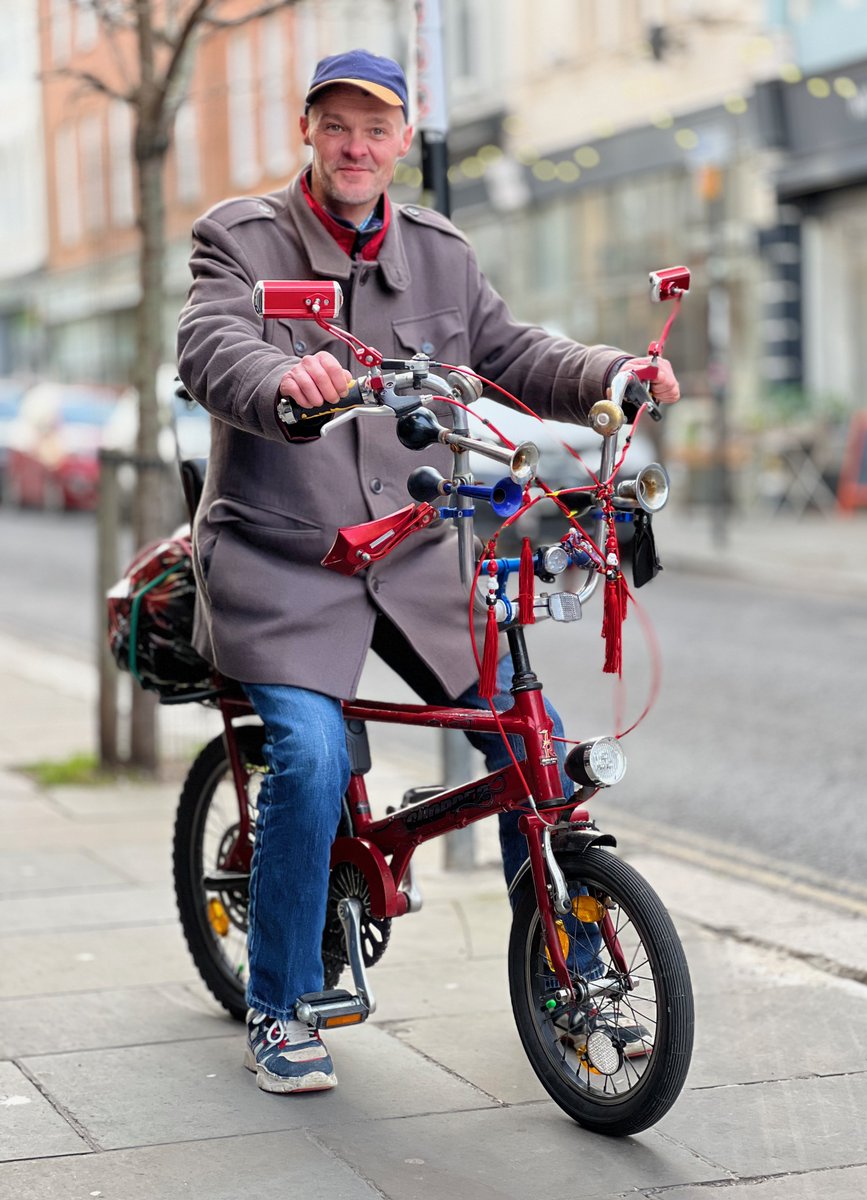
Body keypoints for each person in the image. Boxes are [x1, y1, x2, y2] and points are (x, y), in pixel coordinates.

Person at [176, 48, 680, 1095]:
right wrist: (285, 376)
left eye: (376, 128)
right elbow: (212, 346)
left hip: (408, 555)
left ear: (403, 141)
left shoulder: (442, 252)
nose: (356, 146)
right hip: (283, 557)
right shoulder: (240, 236)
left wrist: (616, 372)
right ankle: (278, 1007)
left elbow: (515, 351)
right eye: (337, 126)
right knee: (312, 760)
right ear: (309, 134)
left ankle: (571, 977)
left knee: (523, 732)